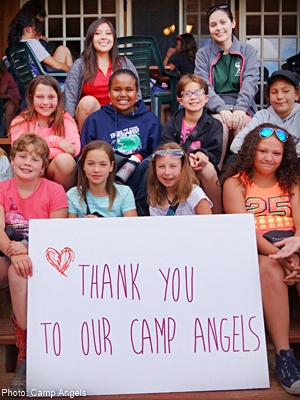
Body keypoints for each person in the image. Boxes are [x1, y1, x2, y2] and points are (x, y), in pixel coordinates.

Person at [221, 123, 300, 395]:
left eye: (276, 153)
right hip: (258, 248)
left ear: (285, 156)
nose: (269, 158)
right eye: (263, 151)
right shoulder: (235, 183)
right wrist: (280, 257)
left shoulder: (293, 182)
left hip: (292, 244)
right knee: (269, 270)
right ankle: (284, 356)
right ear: (251, 152)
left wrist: (295, 250)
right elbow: (243, 229)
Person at [0, 133, 67, 390]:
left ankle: (26, 354)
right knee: (15, 269)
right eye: (22, 156)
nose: (28, 162)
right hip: (9, 252)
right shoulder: (3, 189)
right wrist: (15, 253)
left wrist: (28, 252)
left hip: (42, 255)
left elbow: (56, 234)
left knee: (20, 274)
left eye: (35, 158)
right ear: (12, 159)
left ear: (44, 166)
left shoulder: (54, 190)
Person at [81, 69, 162, 201]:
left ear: (137, 93)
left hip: (138, 180)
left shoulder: (150, 120)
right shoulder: (95, 120)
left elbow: (159, 154)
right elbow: (84, 157)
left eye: (129, 90)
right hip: (103, 177)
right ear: (109, 92)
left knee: (152, 163)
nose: (123, 94)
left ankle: (140, 212)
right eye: (117, 89)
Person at [194, 3, 258, 169]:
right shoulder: (203, 54)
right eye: (213, 25)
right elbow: (203, 85)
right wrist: (221, 109)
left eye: (223, 22)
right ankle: (216, 172)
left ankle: (242, 176)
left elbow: (251, 82)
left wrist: (239, 109)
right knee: (219, 124)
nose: (219, 28)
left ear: (233, 23)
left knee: (242, 125)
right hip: (213, 108)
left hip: (242, 107)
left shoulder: (247, 51)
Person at [64, 18, 141, 132]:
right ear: (91, 38)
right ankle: (88, 144)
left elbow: (137, 96)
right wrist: (72, 130)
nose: (104, 37)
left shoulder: (124, 63)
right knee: (88, 101)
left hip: (119, 115)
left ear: (113, 39)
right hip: (90, 121)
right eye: (98, 33)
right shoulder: (80, 65)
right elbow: (69, 101)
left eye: (108, 33)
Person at [161, 74, 222, 214]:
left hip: (203, 167)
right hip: (179, 165)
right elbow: (167, 149)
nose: (193, 97)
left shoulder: (215, 125)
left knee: (206, 168)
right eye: (187, 93)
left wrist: (202, 154)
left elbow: (215, 152)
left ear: (206, 98)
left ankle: (217, 215)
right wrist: (186, 159)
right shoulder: (171, 125)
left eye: (198, 92)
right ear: (180, 100)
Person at [9, 75, 80, 191]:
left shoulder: (65, 118)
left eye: (51, 97)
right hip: (29, 169)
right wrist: (56, 141)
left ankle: (63, 202)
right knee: (25, 160)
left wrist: (40, 156)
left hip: (56, 173)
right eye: (40, 97)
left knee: (65, 160)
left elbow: (74, 148)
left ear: (59, 97)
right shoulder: (20, 121)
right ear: (31, 98)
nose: (46, 102)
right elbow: (20, 150)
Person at [231, 70, 300, 156]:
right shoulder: (262, 116)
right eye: (274, 92)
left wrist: (278, 157)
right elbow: (236, 145)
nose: (279, 97)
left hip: (292, 164)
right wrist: (264, 155)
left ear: (297, 94)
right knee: (233, 159)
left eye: (285, 91)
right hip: (265, 163)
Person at [67, 141, 137, 218]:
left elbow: (131, 228)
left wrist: (101, 224)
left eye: (103, 164)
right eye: (90, 164)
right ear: (83, 165)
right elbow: (71, 228)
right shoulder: (72, 195)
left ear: (111, 166)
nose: (96, 170)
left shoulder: (125, 193)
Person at [148, 142, 212, 216]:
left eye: (173, 166)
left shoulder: (194, 193)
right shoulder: (155, 198)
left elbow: (208, 225)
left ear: (183, 168)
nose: (167, 172)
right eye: (161, 166)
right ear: (154, 169)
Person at [8, 14, 73, 75]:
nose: (39, 32)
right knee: (64, 51)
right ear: (28, 29)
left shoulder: (17, 46)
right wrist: (74, 71)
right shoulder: (32, 43)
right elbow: (57, 65)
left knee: (62, 49)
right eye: (36, 28)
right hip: (43, 82)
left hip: (33, 81)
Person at [0, 67, 21, 132]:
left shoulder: (27, 75)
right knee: (11, 107)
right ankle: (9, 133)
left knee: (25, 108)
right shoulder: (8, 75)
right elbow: (1, 94)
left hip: (24, 99)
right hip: (10, 100)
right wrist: (10, 96)